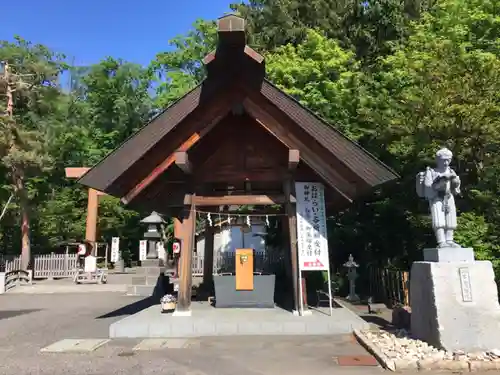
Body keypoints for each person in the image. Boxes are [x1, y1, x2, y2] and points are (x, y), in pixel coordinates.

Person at [422, 148, 461, 248]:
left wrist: (455, 181)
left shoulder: (451, 171)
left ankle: (450, 240)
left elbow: (456, 186)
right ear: (438, 160)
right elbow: (428, 185)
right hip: (436, 197)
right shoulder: (431, 171)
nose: (446, 162)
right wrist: (441, 180)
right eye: (443, 160)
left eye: (448, 160)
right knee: (439, 219)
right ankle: (441, 241)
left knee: (451, 220)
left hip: (448, 196)